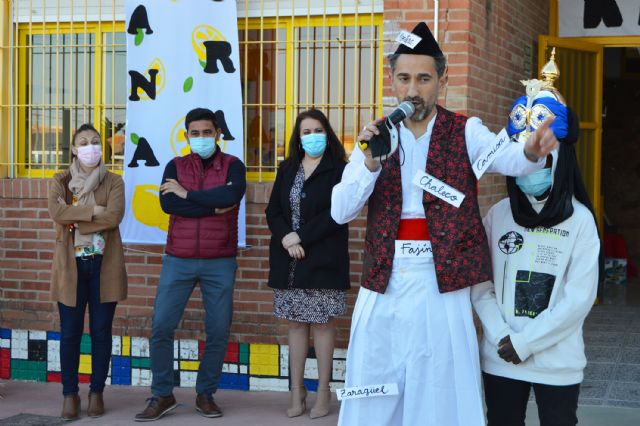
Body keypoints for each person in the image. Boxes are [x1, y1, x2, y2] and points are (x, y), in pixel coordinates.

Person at [331, 22, 560, 426]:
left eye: (423, 78)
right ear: (392, 80)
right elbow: (340, 211)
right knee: (376, 379)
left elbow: (509, 158)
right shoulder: (376, 136)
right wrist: (369, 161)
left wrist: (530, 150)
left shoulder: (465, 131)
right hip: (385, 280)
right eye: (404, 78)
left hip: (443, 283)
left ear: (442, 79)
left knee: (441, 382)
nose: (413, 90)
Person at [471, 75, 601, 425]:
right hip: (500, 358)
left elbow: (579, 298)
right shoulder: (498, 215)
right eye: (526, 161)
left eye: (543, 160)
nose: (533, 171)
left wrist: (525, 343)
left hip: (557, 363)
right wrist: (502, 338)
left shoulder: (581, 222)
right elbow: (481, 285)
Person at [135, 108, 246, 421]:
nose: (201, 138)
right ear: (186, 136)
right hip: (178, 260)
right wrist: (213, 207)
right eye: (194, 133)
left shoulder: (233, 166)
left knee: (218, 330)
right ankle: (162, 394)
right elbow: (169, 204)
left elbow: (233, 195)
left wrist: (188, 195)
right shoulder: (175, 165)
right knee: (160, 327)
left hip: (220, 261)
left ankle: (205, 394)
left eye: (207, 132)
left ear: (218, 134)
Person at [265, 109, 349, 419]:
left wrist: (299, 236)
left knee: (324, 325)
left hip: (324, 258)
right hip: (289, 260)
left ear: (327, 133)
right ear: (298, 138)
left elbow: (337, 214)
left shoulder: (341, 169)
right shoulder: (287, 168)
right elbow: (273, 211)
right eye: (306, 131)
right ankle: (296, 391)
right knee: (296, 324)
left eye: (317, 130)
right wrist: (287, 236)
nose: (312, 136)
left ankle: (323, 392)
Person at [48, 123, 127, 420]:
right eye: (83, 141)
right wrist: (96, 212)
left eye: (95, 141)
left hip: (103, 265)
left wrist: (76, 217)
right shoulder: (60, 179)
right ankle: (70, 394)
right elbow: (56, 213)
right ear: (73, 148)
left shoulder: (114, 181)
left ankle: (96, 392)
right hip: (72, 268)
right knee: (69, 333)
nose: (90, 146)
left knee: (101, 333)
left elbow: (114, 216)